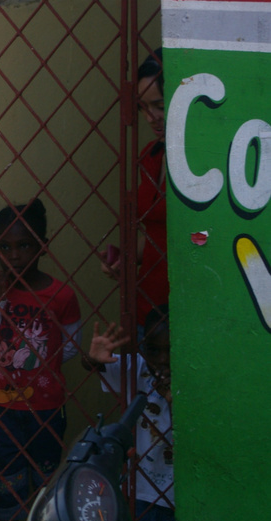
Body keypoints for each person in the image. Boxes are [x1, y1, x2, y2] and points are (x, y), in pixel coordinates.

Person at [0, 198, 81, 521]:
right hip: (2, 408)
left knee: (46, 489)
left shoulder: (62, 294)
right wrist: (0, 298)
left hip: (47, 409)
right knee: (7, 488)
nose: (14, 255)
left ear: (43, 245)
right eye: (6, 247)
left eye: (25, 246)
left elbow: (70, 349)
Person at [80, 305, 175, 521]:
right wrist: (92, 358)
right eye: (154, 350)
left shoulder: (192, 374)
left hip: (176, 495)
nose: (162, 358)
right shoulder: (139, 367)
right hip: (141, 490)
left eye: (170, 349)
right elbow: (97, 365)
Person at [103, 48, 167, 339]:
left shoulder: (207, 164)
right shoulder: (150, 157)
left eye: (160, 105)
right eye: (142, 108)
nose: (151, 117)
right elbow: (157, 234)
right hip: (148, 310)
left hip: (188, 306)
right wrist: (126, 257)